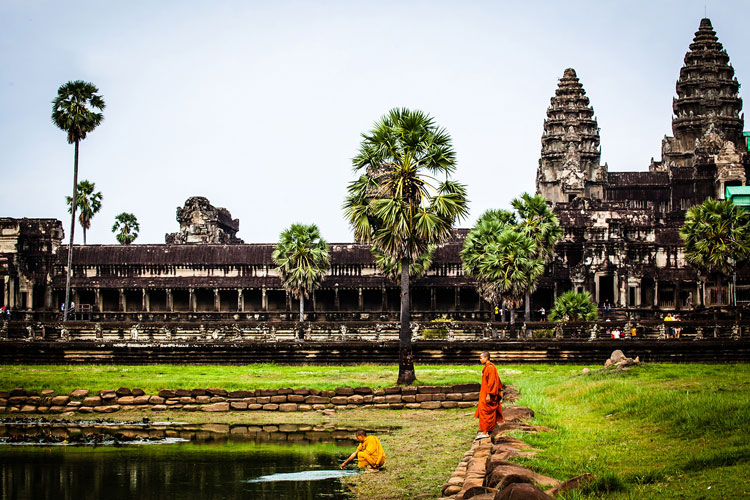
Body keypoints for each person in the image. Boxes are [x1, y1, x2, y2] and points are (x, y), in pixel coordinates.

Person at [474, 351, 503, 440]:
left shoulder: (490, 368)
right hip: (485, 392)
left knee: (485, 411)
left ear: (486, 358)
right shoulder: (487, 367)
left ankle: (485, 432)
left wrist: (489, 395)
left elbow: (492, 382)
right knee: (483, 410)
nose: (480, 360)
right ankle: (486, 431)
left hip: (488, 393)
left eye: (481, 358)